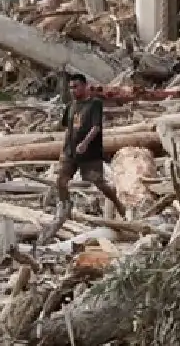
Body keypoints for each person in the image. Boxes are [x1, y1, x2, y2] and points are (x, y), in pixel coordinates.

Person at [47, 72, 123, 239]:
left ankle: (118, 204)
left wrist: (85, 143)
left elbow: (96, 127)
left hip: (90, 153)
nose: (73, 90)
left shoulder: (95, 104)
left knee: (98, 182)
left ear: (85, 86)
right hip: (70, 152)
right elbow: (67, 127)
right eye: (71, 88)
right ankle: (65, 205)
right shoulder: (71, 106)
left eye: (76, 87)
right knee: (61, 179)